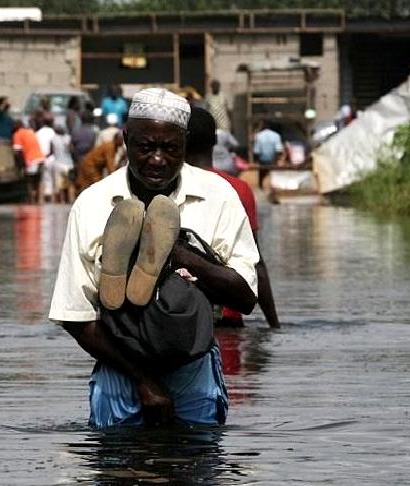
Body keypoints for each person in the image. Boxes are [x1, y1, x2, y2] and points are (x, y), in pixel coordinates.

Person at [49, 87, 259, 428]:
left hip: (191, 359)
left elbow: (246, 298)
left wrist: (181, 256)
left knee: (183, 465)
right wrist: (144, 380)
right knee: (138, 466)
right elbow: (75, 316)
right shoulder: (93, 203)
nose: (157, 159)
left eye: (170, 148)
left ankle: (167, 254)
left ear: (186, 144)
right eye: (146, 147)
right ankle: (133, 267)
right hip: (121, 363)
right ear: (126, 138)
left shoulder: (219, 196)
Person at [186, 106, 281, 328]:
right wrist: (274, 324)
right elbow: (256, 262)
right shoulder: (239, 189)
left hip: (179, 317)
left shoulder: (168, 187)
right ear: (214, 142)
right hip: (228, 319)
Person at [12, 120, 46, 203]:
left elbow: (17, 152)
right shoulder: (30, 131)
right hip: (41, 158)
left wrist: (21, 166)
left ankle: (32, 201)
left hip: (31, 160)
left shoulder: (17, 134)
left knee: (29, 181)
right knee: (38, 180)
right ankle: (40, 200)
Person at [252, 120, 283, 191]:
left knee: (262, 172)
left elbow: (256, 151)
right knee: (273, 173)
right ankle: (273, 187)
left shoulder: (259, 136)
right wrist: (277, 159)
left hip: (263, 159)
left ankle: (261, 186)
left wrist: (256, 160)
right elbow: (278, 149)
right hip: (273, 159)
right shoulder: (276, 135)